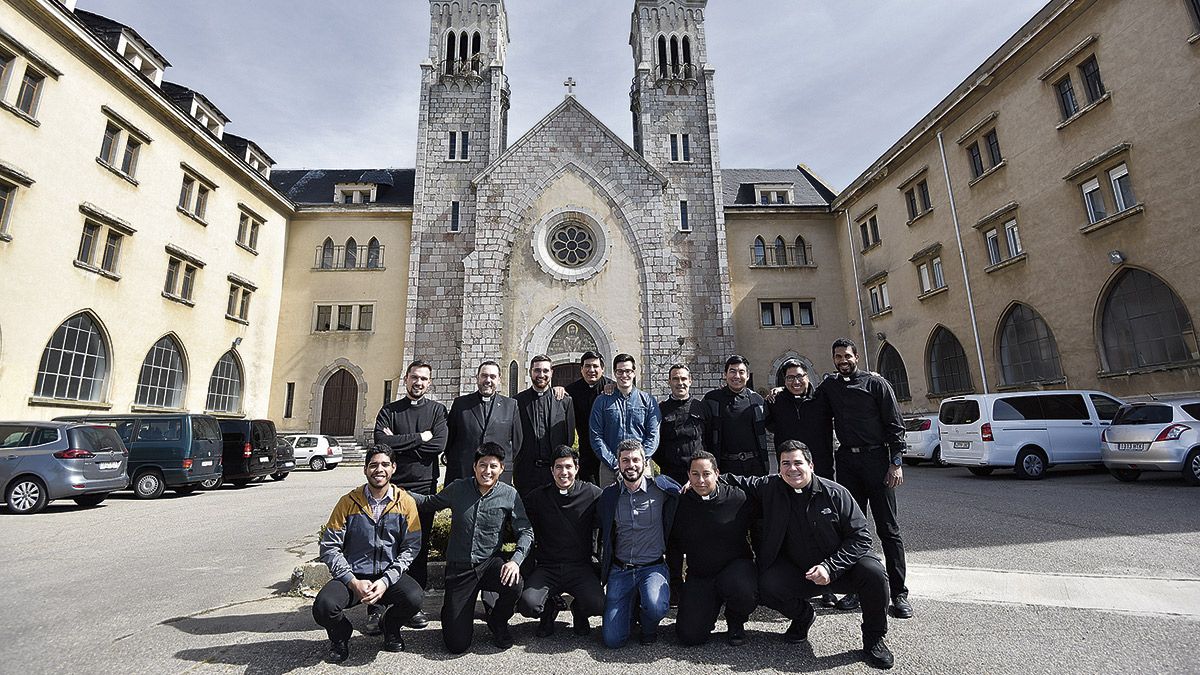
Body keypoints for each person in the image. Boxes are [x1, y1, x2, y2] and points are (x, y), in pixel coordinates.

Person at [721, 441, 895, 670]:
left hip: (840, 569)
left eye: (798, 463)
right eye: (785, 464)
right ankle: (803, 616)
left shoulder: (835, 493)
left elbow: (861, 538)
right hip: (800, 572)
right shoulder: (770, 487)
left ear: (811, 465)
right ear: (779, 468)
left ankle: (874, 639)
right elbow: (735, 480)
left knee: (874, 573)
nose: (792, 469)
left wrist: (830, 568)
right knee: (767, 584)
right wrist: (701, 481)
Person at [815, 338, 912, 619]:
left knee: (888, 530)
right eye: (837, 356)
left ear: (856, 357)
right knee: (851, 530)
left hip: (877, 462)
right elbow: (808, 400)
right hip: (847, 462)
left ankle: (899, 594)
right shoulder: (830, 386)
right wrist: (779, 390)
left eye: (847, 356)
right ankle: (857, 590)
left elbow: (896, 426)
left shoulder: (876, 384)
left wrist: (895, 463)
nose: (842, 360)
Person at [412, 442, 534, 653]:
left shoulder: (509, 494)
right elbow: (428, 502)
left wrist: (515, 561)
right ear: (474, 467)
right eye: (483, 465)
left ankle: (497, 620)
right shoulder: (458, 488)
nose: (487, 471)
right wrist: (397, 492)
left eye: (493, 466)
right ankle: (452, 612)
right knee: (456, 645)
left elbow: (526, 531)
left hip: (489, 564)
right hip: (460, 569)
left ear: (501, 468)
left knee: (515, 583)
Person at [313, 446, 424, 663]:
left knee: (414, 598)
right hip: (353, 575)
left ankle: (390, 626)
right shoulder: (347, 502)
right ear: (365, 470)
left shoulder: (406, 502)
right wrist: (352, 581)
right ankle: (340, 636)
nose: (379, 470)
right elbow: (329, 546)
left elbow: (411, 548)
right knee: (324, 606)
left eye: (384, 465)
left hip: (388, 577)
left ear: (393, 468)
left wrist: (385, 581)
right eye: (373, 465)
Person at [373, 359, 447, 629]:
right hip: (391, 489)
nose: (419, 383)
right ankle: (377, 605)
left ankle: (414, 606)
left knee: (418, 547)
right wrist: (420, 438)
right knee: (384, 546)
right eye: (414, 377)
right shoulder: (389, 410)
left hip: (423, 488)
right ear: (406, 379)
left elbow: (438, 445)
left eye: (424, 379)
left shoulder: (438, 411)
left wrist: (401, 443)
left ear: (430, 383)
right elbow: (381, 444)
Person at [596, 439, 680, 648]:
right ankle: (629, 611)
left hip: (653, 568)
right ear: (618, 463)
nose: (630, 465)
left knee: (656, 607)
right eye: (625, 460)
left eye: (635, 460)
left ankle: (648, 626)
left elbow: (686, 493)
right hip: (621, 570)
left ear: (645, 462)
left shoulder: (662, 488)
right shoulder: (609, 495)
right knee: (613, 641)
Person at [669, 450, 758, 647]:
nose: (701, 480)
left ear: (717, 474)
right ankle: (706, 612)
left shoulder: (738, 499)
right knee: (689, 636)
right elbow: (674, 544)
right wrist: (675, 581)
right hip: (700, 575)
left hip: (735, 571)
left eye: (706, 474)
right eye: (695, 474)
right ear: (688, 476)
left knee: (745, 591)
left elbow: (759, 530)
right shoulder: (681, 504)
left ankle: (735, 620)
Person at [517, 445, 605, 637]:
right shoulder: (538, 497)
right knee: (527, 605)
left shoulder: (592, 493)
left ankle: (579, 611)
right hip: (548, 568)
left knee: (598, 604)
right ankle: (548, 609)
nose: (563, 472)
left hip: (580, 567)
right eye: (558, 467)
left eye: (568, 467)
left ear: (577, 468)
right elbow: (520, 521)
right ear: (551, 470)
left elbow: (613, 507)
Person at [590, 353, 661, 486]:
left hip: (641, 466)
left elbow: (653, 435)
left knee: (643, 504)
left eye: (628, 371)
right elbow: (596, 436)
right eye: (620, 371)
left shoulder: (648, 401)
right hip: (609, 467)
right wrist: (615, 462)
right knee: (609, 504)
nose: (624, 375)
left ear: (634, 373)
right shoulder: (602, 401)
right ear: (615, 373)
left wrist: (638, 459)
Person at [445, 361, 523, 482]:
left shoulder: (511, 405)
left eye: (492, 377)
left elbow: (517, 443)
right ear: (477, 378)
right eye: (484, 376)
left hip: (497, 474)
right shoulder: (460, 404)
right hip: (464, 472)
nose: (488, 380)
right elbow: (450, 439)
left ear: (498, 380)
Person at [514, 355, 576, 496]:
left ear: (551, 372)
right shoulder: (517, 402)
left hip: (555, 473)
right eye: (537, 370)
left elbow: (569, 438)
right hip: (526, 473)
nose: (541, 375)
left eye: (545, 371)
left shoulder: (564, 401)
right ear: (530, 372)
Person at [703, 355, 770, 477]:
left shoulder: (757, 401)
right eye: (732, 371)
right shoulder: (712, 400)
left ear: (748, 376)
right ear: (725, 375)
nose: (737, 376)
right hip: (724, 468)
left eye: (741, 372)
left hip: (755, 467)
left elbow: (773, 423)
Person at [766, 359, 833, 480]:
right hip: (790, 471)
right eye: (790, 378)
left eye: (799, 376)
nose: (796, 382)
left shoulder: (822, 399)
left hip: (821, 469)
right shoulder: (775, 402)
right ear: (784, 381)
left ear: (807, 377)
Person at [565, 350, 614, 485]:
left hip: (610, 452)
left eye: (595, 366)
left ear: (602, 369)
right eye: (587, 366)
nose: (591, 370)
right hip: (586, 452)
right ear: (581, 369)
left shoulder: (613, 388)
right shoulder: (571, 391)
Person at [656, 364, 710, 486]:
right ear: (669, 382)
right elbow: (657, 443)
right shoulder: (661, 410)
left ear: (690, 381)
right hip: (671, 475)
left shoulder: (701, 407)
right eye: (675, 379)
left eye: (684, 379)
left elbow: (710, 439)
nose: (680, 383)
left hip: (698, 474)